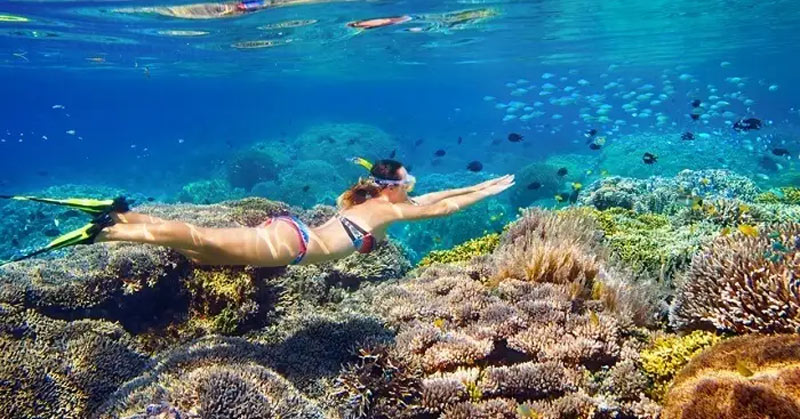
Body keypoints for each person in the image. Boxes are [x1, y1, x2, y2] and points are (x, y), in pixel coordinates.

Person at [0, 159, 514, 267]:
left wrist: (486, 183)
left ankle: (121, 216)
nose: (417, 185)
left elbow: (443, 196)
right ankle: (108, 229)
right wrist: (486, 194)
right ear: (393, 187)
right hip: (291, 244)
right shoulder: (388, 212)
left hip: (285, 234)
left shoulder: (378, 202)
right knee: (197, 239)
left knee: (198, 246)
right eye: (410, 181)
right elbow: (443, 207)